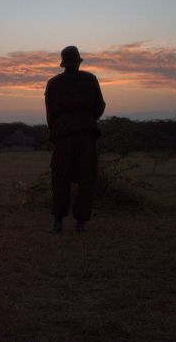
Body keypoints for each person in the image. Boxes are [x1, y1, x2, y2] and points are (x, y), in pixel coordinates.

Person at [44, 46, 105, 233]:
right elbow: (99, 106)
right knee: (87, 176)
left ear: (63, 63)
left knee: (60, 176)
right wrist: (86, 119)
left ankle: (58, 222)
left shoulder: (53, 83)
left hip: (63, 131)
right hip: (86, 130)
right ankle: (81, 223)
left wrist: (58, 129)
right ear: (78, 62)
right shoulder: (90, 79)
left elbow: (50, 113)